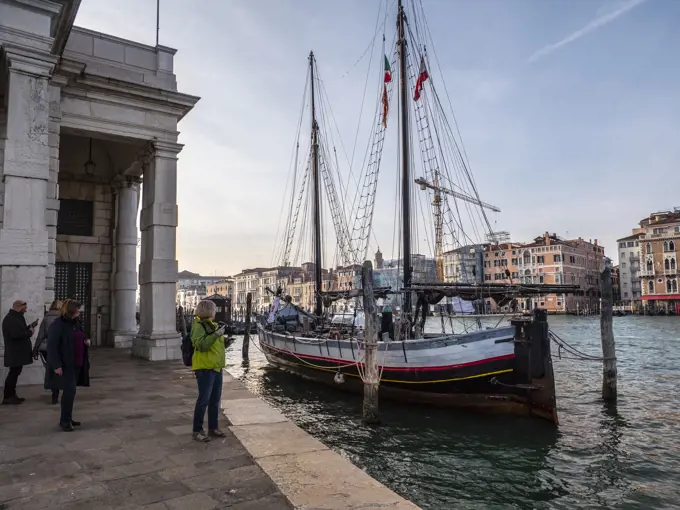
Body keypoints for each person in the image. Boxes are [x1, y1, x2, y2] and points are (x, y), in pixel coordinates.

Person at [47, 299, 91, 432]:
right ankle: (65, 421)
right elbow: (52, 346)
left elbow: (80, 335)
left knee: (71, 392)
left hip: (76, 363)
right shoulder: (58, 325)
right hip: (65, 364)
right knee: (69, 392)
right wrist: (56, 365)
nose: (80, 311)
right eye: (78, 309)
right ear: (72, 310)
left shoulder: (76, 323)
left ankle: (67, 418)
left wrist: (86, 340)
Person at [191, 299, 226, 442]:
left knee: (215, 400)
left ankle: (213, 427)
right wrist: (216, 335)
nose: (215, 312)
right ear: (209, 311)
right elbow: (201, 345)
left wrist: (226, 342)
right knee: (203, 400)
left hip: (216, 367)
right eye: (214, 309)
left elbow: (213, 346)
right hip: (205, 368)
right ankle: (197, 430)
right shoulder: (198, 326)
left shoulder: (213, 325)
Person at [2, 300, 38, 405]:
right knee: (13, 374)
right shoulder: (10, 319)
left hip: (18, 352)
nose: (25, 310)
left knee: (15, 373)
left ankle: (12, 395)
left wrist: (29, 327)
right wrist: (30, 332)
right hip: (15, 352)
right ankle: (8, 397)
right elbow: (16, 335)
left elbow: (20, 330)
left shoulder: (15, 318)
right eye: (24, 308)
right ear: (18, 307)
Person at [33, 300, 63, 404]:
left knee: (51, 369)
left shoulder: (46, 318)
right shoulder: (63, 318)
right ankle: (57, 391)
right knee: (59, 370)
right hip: (60, 348)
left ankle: (53, 391)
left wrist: (35, 349)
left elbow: (41, 335)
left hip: (47, 348)